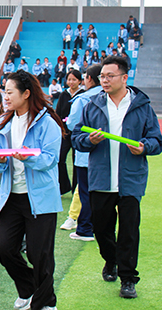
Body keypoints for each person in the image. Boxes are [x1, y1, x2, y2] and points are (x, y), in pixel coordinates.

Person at [72, 56, 162, 299]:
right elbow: (76, 138)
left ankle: (128, 278)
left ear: (124, 77)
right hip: (101, 179)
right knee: (101, 229)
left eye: (110, 76)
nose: (104, 80)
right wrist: (89, 140)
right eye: (102, 76)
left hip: (130, 180)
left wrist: (144, 147)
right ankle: (110, 259)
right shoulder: (92, 105)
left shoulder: (142, 106)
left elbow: (156, 141)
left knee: (129, 232)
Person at [0, 70, 63, 310]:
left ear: (26, 93)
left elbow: (50, 160)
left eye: (10, 92)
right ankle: (28, 288)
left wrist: (27, 157)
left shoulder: (47, 123)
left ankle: (46, 303)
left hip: (40, 198)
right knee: (4, 249)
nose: (6, 97)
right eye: (5, 92)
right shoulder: (2, 123)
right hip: (11, 196)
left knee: (39, 254)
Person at [65, 64, 103, 242]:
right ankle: (99, 227)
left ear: (89, 79)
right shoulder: (110, 96)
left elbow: (73, 124)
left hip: (86, 151)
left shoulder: (83, 99)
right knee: (102, 192)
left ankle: (85, 229)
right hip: (106, 154)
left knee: (85, 191)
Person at [55, 69, 84, 196]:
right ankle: (64, 187)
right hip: (65, 133)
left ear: (80, 81)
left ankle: (76, 190)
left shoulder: (83, 95)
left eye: (74, 79)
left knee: (77, 161)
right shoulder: (64, 95)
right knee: (60, 159)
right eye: (69, 79)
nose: (71, 82)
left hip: (78, 133)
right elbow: (58, 112)